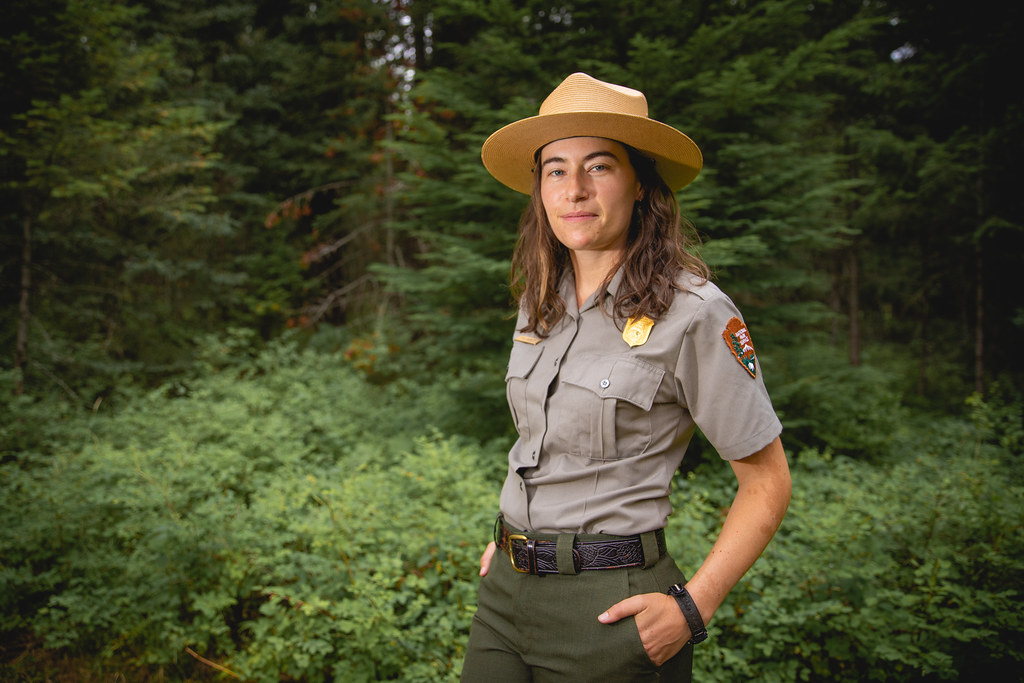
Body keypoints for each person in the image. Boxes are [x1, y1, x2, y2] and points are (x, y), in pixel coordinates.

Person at [462, 72, 792, 682]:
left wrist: (694, 607)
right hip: (504, 599)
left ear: (641, 182)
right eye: (555, 170)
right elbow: (541, 446)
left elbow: (767, 481)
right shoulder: (542, 300)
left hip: (611, 612)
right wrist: (517, 540)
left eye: (600, 166)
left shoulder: (694, 313)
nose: (575, 189)